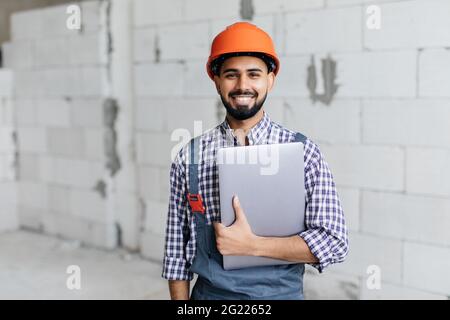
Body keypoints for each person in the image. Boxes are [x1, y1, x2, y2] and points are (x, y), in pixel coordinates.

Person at [162, 22, 348, 300]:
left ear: (270, 80)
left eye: (254, 74)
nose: (242, 85)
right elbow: (177, 253)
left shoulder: (303, 153)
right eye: (231, 75)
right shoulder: (190, 157)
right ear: (216, 80)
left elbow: (334, 242)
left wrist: (253, 245)